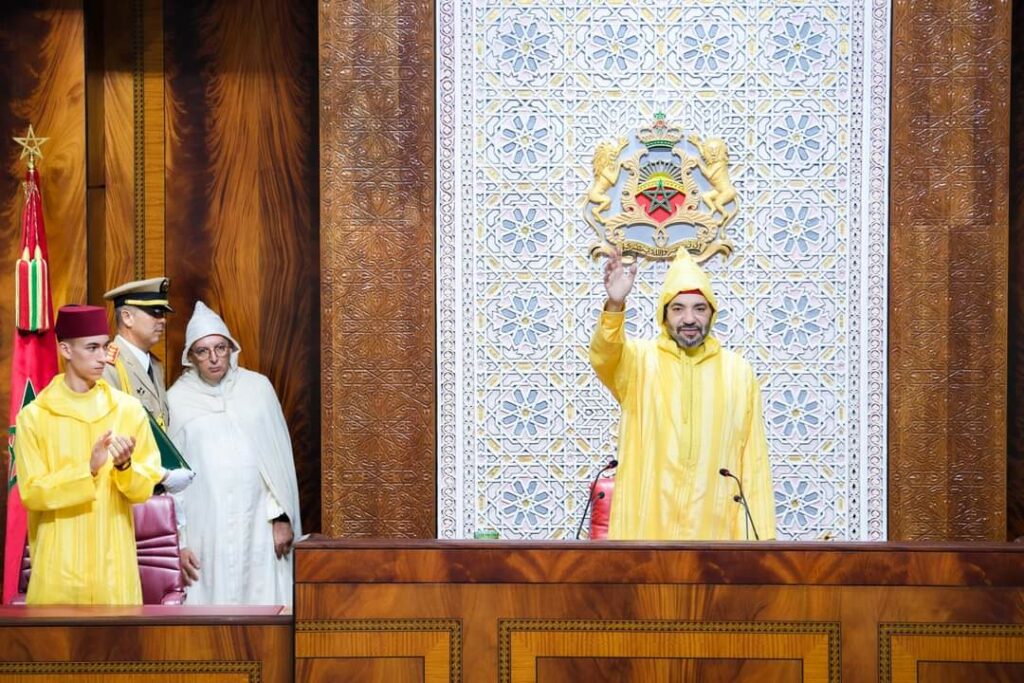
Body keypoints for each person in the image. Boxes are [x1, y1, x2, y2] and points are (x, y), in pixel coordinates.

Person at [590, 247, 776, 540]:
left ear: (712, 314)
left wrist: (761, 541)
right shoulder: (638, 362)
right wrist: (615, 304)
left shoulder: (738, 372)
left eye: (699, 308)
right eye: (678, 309)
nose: (689, 319)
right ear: (664, 316)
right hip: (646, 527)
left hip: (716, 532)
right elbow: (604, 357)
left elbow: (753, 461)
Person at [14, 304, 163, 604]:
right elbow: (31, 493)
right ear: (66, 349)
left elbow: (145, 486)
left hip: (114, 576)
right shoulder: (34, 417)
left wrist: (124, 467)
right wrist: (89, 470)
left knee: (119, 652)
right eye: (92, 348)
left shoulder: (128, 410)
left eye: (105, 346)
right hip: (58, 577)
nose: (102, 357)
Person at [167, 302, 301, 605]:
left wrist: (281, 517)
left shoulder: (258, 389)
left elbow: (277, 463)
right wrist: (180, 540)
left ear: (231, 349)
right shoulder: (176, 400)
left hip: (259, 522)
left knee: (262, 593)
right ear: (191, 357)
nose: (214, 358)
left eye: (220, 348)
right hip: (206, 525)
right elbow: (172, 477)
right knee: (212, 595)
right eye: (203, 351)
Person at [101, 277, 196, 581]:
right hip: (122, 496)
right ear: (126, 317)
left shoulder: (152, 364)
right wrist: (161, 475)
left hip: (152, 496)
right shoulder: (108, 365)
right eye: (154, 312)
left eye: (162, 313)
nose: (161, 321)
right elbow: (109, 438)